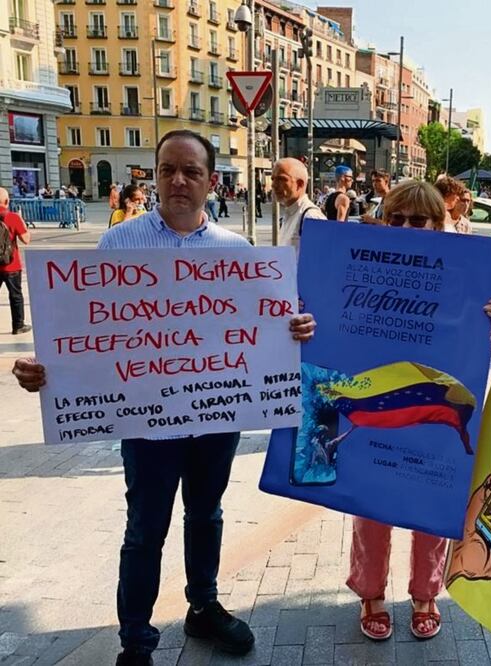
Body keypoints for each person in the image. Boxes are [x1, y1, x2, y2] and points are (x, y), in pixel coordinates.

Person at [11, 130, 316, 666]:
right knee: (145, 529)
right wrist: (44, 372)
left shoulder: (236, 251)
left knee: (207, 514)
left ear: (210, 181)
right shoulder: (117, 244)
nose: (178, 180)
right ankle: (136, 640)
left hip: (215, 416)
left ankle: (203, 607)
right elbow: (84, 331)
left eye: (191, 172)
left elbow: (266, 327)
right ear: (154, 175)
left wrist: (296, 329)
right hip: (147, 424)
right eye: (168, 169)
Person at [347, 180, 491, 643]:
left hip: (434, 406)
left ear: (438, 223)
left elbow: (475, 339)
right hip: (380, 400)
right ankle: (371, 593)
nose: (407, 227)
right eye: (398, 218)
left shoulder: (464, 275)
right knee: (370, 504)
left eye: (419, 220)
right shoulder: (361, 268)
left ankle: (426, 594)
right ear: (384, 221)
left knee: (431, 500)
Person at [273, 157, 326, 252]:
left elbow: (321, 259)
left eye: (281, 179)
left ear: (300, 184)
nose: (274, 185)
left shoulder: (311, 217)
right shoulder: (290, 213)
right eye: (273, 179)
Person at [0, 187, 32, 334]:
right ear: (7, 201)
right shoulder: (13, 217)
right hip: (11, 265)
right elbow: (26, 240)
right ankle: (18, 326)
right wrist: (23, 224)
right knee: (16, 296)